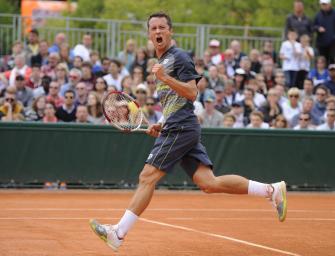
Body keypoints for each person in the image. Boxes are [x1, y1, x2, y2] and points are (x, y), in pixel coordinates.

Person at [89, 12, 288, 252]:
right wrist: (161, 122)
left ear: (170, 31)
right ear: (149, 34)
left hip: (181, 127)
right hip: (178, 124)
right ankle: (271, 190)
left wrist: (164, 78)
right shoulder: (161, 61)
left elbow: (192, 93)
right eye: (153, 28)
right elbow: (175, 102)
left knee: (147, 177)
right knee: (208, 183)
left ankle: (118, 233)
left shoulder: (179, 58)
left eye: (162, 27)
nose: (158, 31)